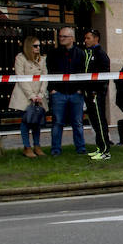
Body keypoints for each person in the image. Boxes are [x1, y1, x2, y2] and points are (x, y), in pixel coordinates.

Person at [46, 26, 87, 155]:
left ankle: (80, 148)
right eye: (60, 36)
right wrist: (52, 89)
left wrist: (81, 89)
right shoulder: (53, 53)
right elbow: (49, 71)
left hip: (76, 93)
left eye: (65, 36)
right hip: (58, 92)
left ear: (72, 38)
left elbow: (84, 72)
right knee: (57, 122)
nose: (61, 39)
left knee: (78, 122)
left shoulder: (80, 53)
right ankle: (56, 149)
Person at [8, 35, 48, 158]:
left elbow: (45, 77)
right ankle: (27, 147)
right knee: (26, 121)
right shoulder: (21, 59)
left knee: (36, 122)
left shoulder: (42, 59)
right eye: (35, 46)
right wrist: (31, 95)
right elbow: (20, 78)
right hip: (25, 96)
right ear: (28, 46)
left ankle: (37, 145)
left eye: (39, 46)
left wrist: (41, 94)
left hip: (39, 96)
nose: (38, 48)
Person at [82, 29, 112, 160]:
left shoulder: (101, 54)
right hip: (88, 92)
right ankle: (100, 147)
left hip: (96, 93)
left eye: (88, 38)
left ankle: (105, 150)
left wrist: (97, 90)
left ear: (96, 39)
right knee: (94, 121)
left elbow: (104, 76)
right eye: (85, 38)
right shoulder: (88, 53)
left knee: (100, 121)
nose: (86, 41)